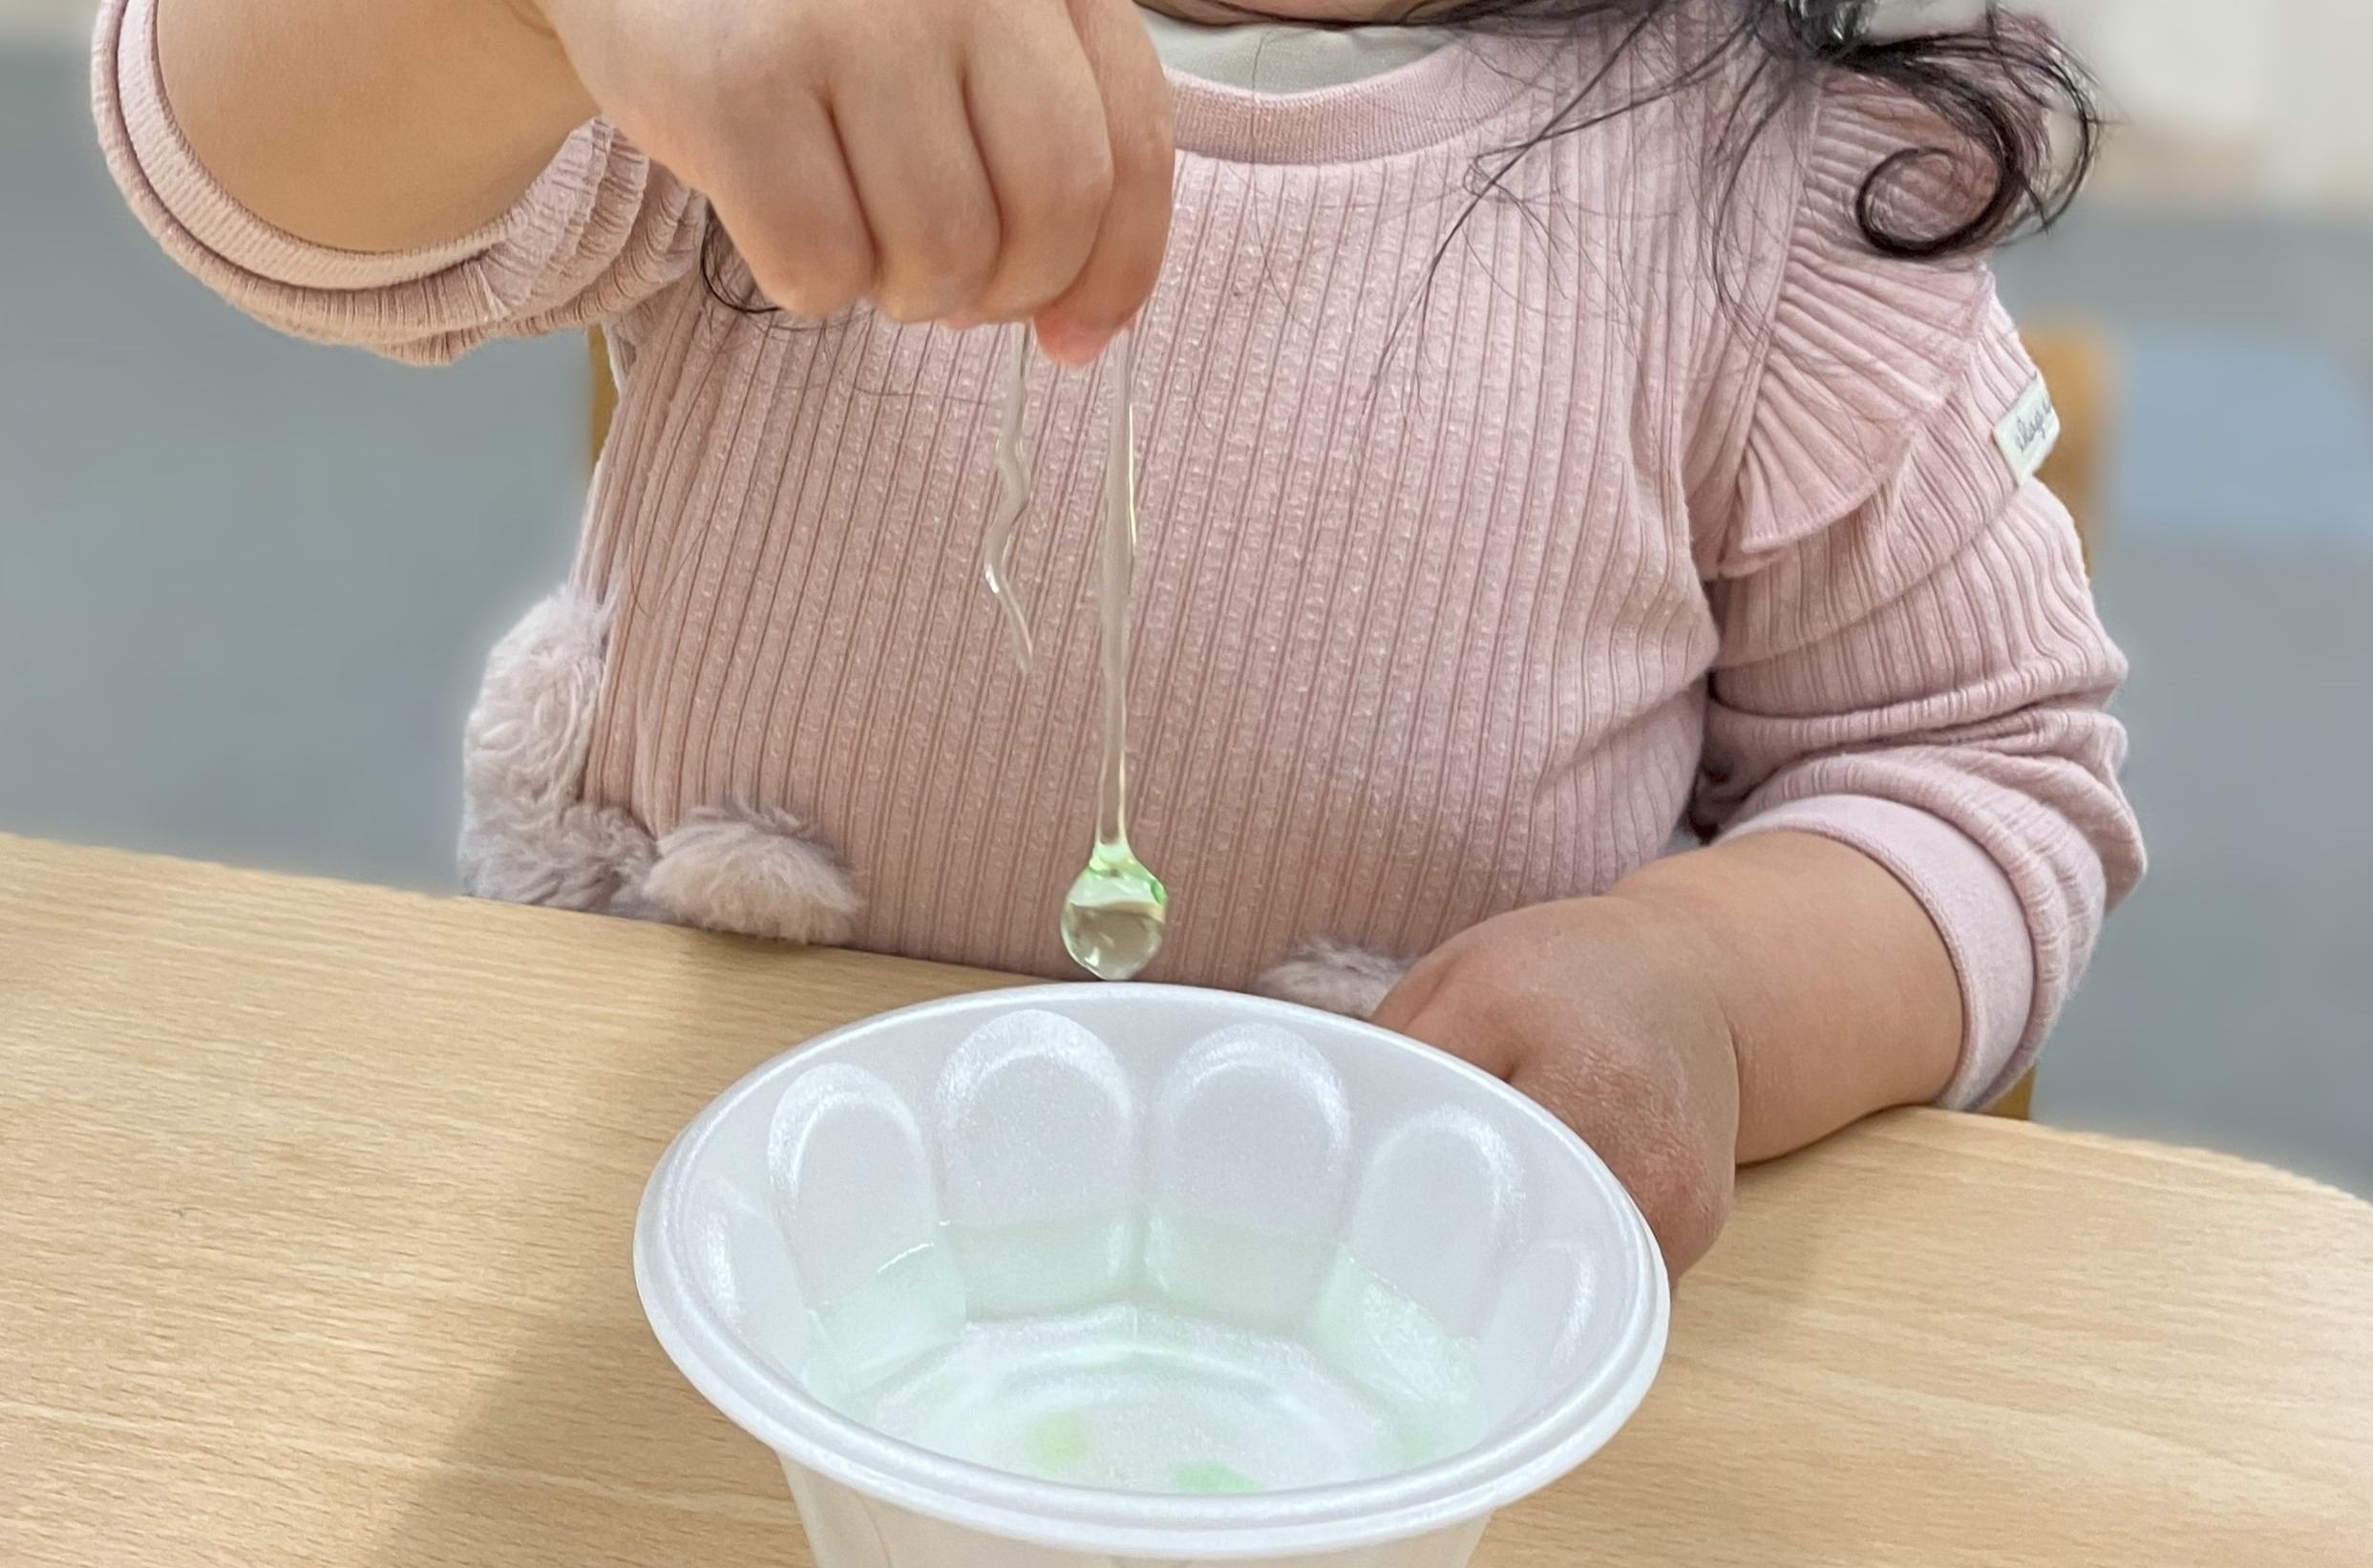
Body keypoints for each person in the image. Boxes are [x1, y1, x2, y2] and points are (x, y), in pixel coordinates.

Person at [95, 0, 2145, 1273]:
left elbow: (1980, 777)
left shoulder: (1785, 188)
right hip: (682, 1250)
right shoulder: (771, 42)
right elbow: (239, 176)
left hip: (1386, 1335)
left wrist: (1706, 979)